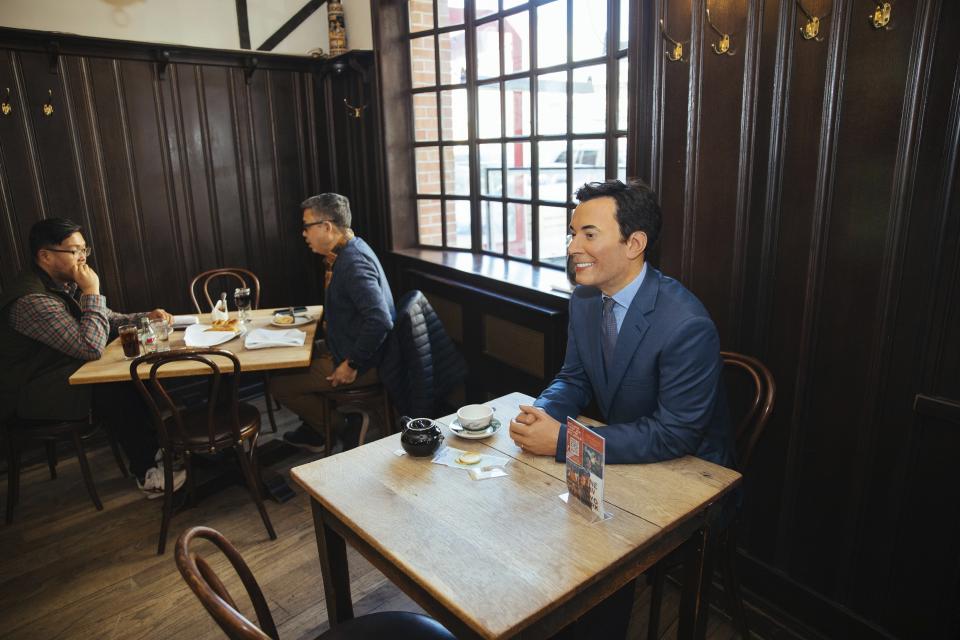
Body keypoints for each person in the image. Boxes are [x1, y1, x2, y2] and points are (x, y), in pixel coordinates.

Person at [509, 179, 733, 638]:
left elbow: (676, 434)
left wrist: (564, 440)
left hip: (690, 476)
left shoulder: (686, 323)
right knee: (536, 524)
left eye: (588, 234)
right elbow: (574, 377)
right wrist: (542, 413)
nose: (573, 247)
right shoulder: (586, 298)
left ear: (635, 243)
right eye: (572, 234)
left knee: (594, 563)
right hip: (625, 453)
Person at [0, 218, 185, 498]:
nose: (83, 257)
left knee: (134, 370)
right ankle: (147, 472)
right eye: (75, 250)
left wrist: (145, 317)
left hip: (59, 374)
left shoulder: (60, 285)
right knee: (115, 383)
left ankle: (157, 449)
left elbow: (105, 321)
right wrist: (91, 291)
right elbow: (90, 345)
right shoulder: (31, 301)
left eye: (85, 249)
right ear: (45, 256)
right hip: (31, 392)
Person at [271, 193, 395, 452]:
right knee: (287, 357)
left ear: (326, 227)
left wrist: (351, 364)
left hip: (361, 362)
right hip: (343, 346)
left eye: (307, 227)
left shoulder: (353, 263)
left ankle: (344, 424)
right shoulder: (350, 249)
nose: (304, 234)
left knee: (280, 386)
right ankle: (316, 429)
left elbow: (380, 320)